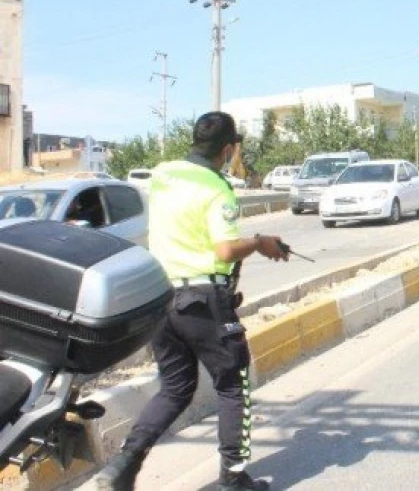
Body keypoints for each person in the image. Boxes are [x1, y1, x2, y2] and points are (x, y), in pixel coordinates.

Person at [94, 112, 289, 491]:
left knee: (175, 388)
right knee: (234, 383)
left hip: (161, 297)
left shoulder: (164, 173)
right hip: (203, 299)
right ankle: (233, 477)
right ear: (229, 149)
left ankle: (122, 466)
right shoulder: (217, 189)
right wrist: (261, 242)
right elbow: (225, 247)